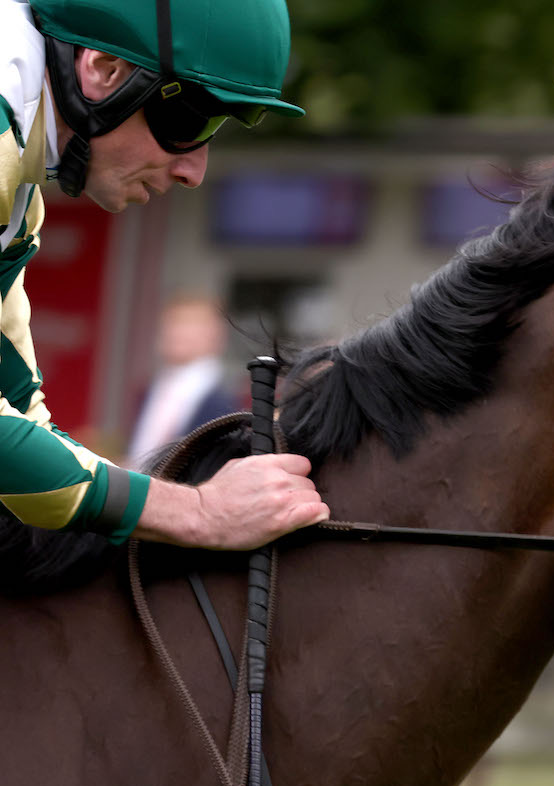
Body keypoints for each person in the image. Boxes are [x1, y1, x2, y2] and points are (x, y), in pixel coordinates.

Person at [0, 0, 328, 590]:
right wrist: (199, 512)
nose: (194, 170)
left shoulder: (19, 185)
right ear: (103, 69)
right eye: (192, 122)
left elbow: (21, 418)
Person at [125, 293, 241, 468]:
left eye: (188, 325)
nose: (174, 332)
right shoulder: (152, 389)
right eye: (171, 323)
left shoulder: (225, 396)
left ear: (215, 335)